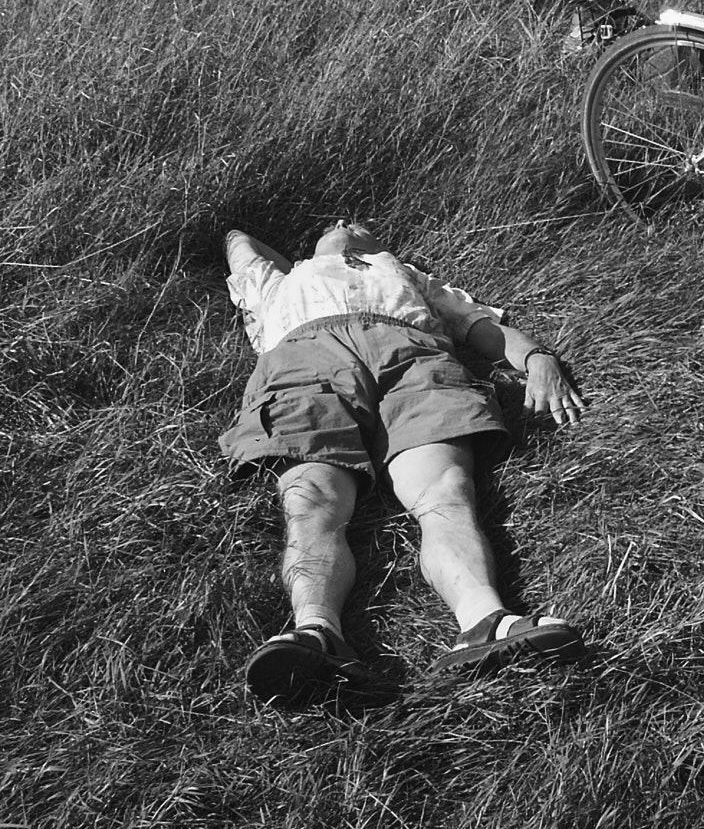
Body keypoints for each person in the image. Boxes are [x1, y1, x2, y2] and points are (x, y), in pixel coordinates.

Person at [219, 220, 587, 704]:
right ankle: (316, 633)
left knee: (446, 492)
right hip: (303, 361)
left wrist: (538, 358)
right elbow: (237, 240)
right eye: (334, 222)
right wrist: (311, 258)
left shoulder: (411, 275)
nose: (344, 222)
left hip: (413, 358)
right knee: (312, 502)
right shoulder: (277, 284)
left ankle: (487, 622)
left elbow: (485, 329)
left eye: (357, 223)